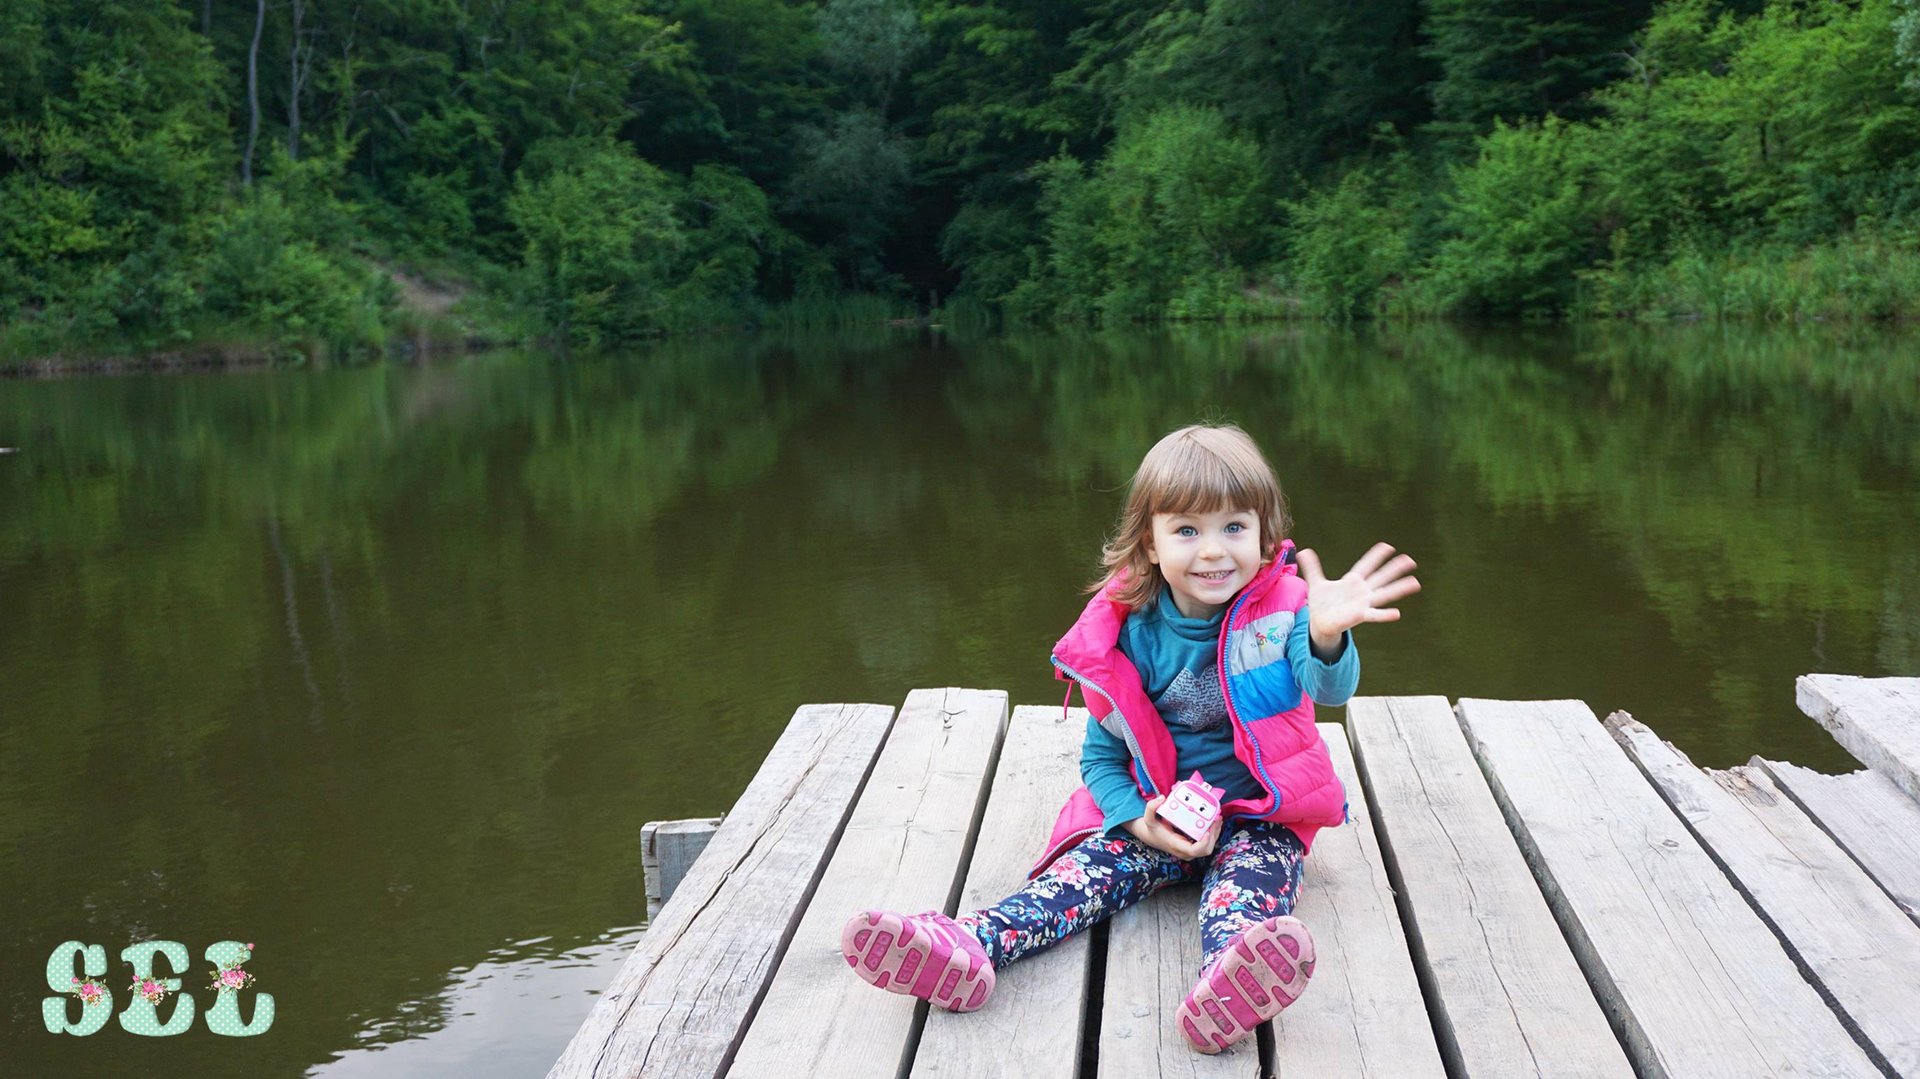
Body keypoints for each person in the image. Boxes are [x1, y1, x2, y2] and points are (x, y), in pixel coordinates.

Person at [840, 423, 1419, 1054]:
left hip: (1263, 816)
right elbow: (1102, 755)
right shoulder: (1130, 631)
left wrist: (1328, 633)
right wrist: (1137, 821)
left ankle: (1228, 985)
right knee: (1077, 880)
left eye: (1234, 527)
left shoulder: (1288, 610)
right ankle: (973, 944)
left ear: (1265, 533)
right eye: (1188, 530)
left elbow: (1328, 687)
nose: (1213, 552)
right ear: (1151, 539)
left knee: (1245, 895)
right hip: (1159, 811)